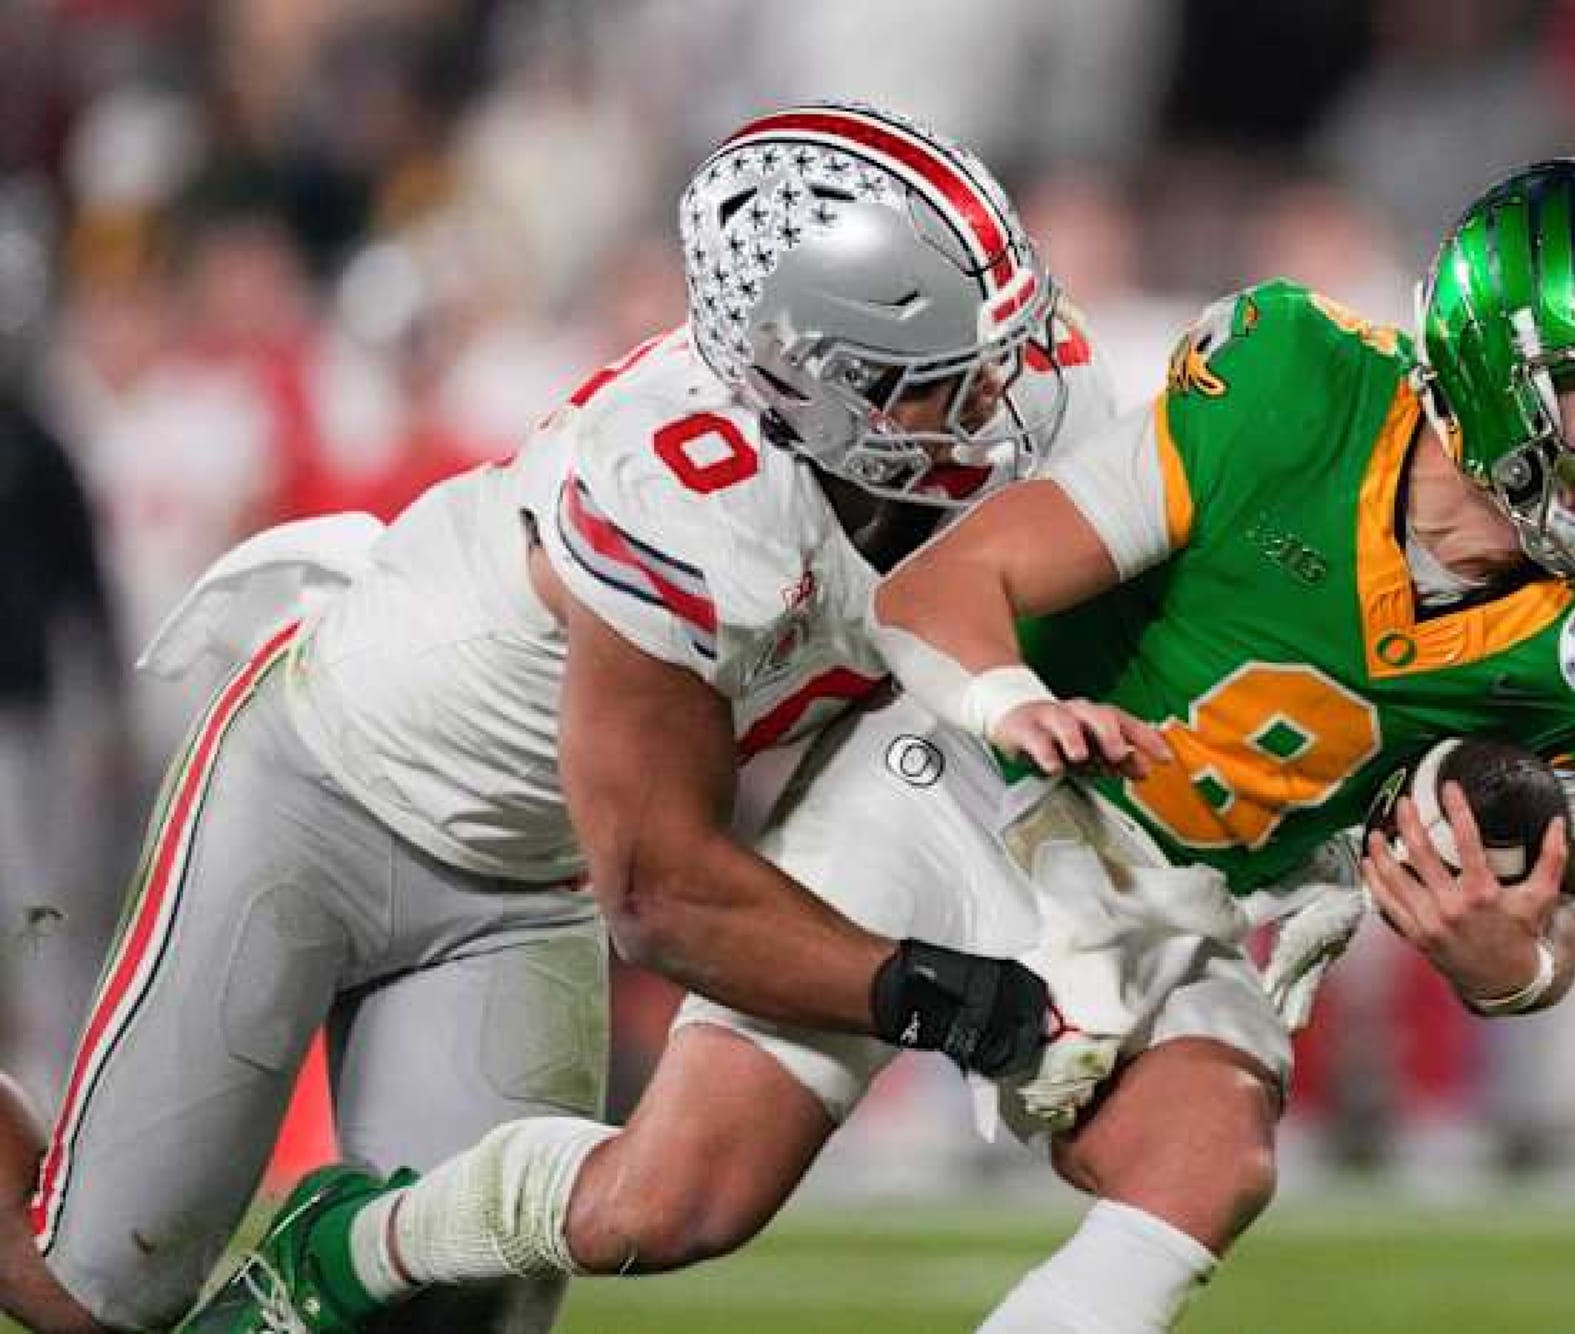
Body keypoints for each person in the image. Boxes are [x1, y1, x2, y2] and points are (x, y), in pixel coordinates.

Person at [196, 157, 1575, 1333]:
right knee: (661, 1208)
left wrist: (1505, 960)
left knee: (1210, 1156)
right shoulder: (1295, 388)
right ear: (1497, 360)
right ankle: (352, 1243)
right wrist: (1022, 708)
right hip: (969, 787)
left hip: (1184, 902)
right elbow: (954, 586)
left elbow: (1556, 921)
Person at [0, 100, 1114, 1334]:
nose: (992, 397)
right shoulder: (685, 493)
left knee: (459, 1313)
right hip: (319, 788)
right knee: (88, 1292)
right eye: (932, 379)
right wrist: (922, 992)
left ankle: (335, 1263)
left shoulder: (1025, 401)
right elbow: (664, 891)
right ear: (806, 376)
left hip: (525, 882)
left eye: (993, 348)